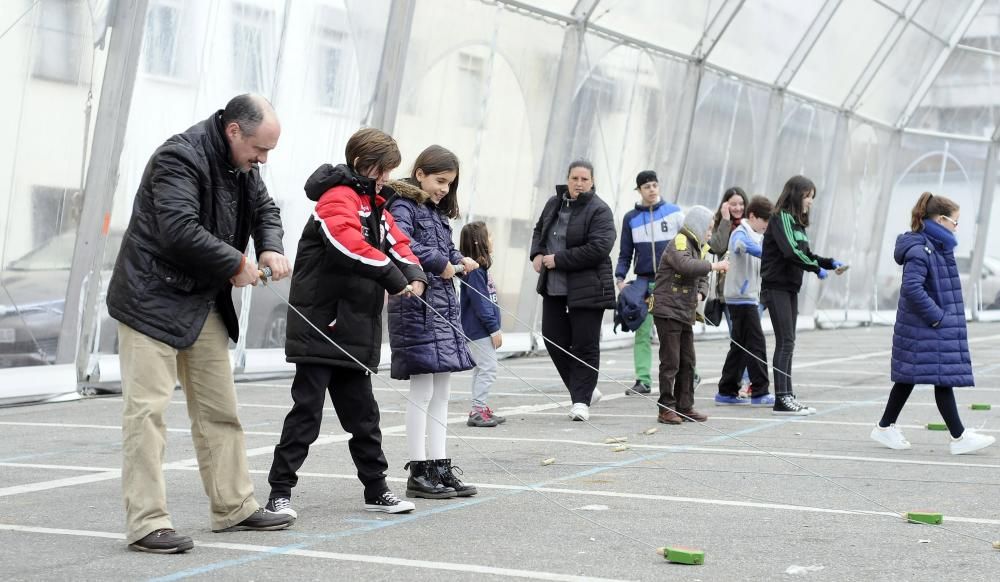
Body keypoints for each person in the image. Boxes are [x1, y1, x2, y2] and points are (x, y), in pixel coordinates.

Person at [106, 94, 295, 554]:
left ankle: (234, 506)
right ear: (234, 131)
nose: (263, 160)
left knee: (219, 409)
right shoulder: (179, 157)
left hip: (202, 300)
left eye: (269, 152)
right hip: (151, 299)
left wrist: (269, 246)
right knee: (146, 413)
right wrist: (235, 262)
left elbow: (266, 211)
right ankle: (147, 523)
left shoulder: (244, 167)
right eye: (260, 149)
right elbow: (177, 227)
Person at [266, 128, 428, 519]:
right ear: (362, 163)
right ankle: (279, 493)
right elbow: (347, 246)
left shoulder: (372, 203)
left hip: (355, 329)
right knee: (306, 414)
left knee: (364, 417)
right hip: (322, 324)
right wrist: (394, 277)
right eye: (383, 170)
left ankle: (377, 490)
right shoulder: (336, 198)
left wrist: (415, 274)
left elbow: (396, 242)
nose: (387, 178)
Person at [870, 192, 995, 455]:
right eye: (955, 222)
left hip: (925, 327)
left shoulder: (934, 246)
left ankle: (885, 427)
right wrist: (937, 316)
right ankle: (958, 437)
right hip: (924, 327)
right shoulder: (921, 248)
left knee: (916, 378)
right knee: (936, 378)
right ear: (940, 219)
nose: (956, 227)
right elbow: (912, 288)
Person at [388, 145, 479, 499]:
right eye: (440, 180)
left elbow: (443, 248)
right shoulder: (402, 203)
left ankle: (440, 466)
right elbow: (403, 244)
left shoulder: (435, 211)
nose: (444, 188)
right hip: (416, 303)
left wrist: (460, 258)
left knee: (442, 391)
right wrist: (440, 262)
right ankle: (418, 469)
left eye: (449, 183)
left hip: (442, 303)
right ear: (421, 172)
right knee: (422, 390)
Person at [530, 160, 616, 422]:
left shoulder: (599, 209)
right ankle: (586, 389)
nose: (579, 183)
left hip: (588, 287)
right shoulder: (553, 203)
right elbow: (539, 231)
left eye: (585, 179)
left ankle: (580, 401)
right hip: (554, 285)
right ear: (567, 179)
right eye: (575, 178)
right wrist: (537, 253)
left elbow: (600, 247)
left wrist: (558, 259)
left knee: (584, 344)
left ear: (592, 181)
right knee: (553, 339)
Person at [760, 175, 845, 416]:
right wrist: (814, 268)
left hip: (789, 287)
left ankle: (788, 394)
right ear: (797, 195)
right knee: (785, 341)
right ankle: (782, 398)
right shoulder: (782, 218)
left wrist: (828, 263)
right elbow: (790, 252)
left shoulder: (797, 224)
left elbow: (806, 253)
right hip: (776, 286)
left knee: (789, 341)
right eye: (808, 197)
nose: (810, 202)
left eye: (812, 198)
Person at [651, 206, 728, 424]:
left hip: (684, 311)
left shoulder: (699, 247)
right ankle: (666, 407)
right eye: (709, 229)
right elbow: (686, 266)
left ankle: (685, 406)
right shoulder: (681, 241)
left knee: (687, 360)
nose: (709, 234)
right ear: (698, 225)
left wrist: (702, 294)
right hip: (668, 310)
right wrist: (715, 265)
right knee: (670, 361)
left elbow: (701, 276)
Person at [614, 170, 684, 395]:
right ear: (639, 190)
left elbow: (687, 248)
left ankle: (690, 373)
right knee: (642, 333)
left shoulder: (675, 213)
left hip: (671, 282)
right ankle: (643, 380)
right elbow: (625, 253)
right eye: (647, 186)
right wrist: (620, 278)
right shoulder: (630, 219)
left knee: (674, 333)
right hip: (644, 283)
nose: (652, 189)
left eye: (654, 185)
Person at [715, 195, 773, 407]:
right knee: (756, 344)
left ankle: (726, 390)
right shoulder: (741, 232)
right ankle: (759, 392)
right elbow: (740, 245)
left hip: (747, 297)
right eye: (764, 220)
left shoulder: (758, 234)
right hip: (741, 298)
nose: (767, 225)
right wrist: (766, 252)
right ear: (753, 216)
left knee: (739, 346)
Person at [459, 220, 505, 428]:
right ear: (480, 242)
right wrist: (494, 328)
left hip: (480, 329)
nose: (492, 239)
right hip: (479, 330)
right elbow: (481, 304)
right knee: (488, 368)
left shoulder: (481, 270)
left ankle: (480, 406)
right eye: (489, 236)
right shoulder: (476, 272)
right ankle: (477, 410)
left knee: (482, 368)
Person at [709, 187, 750, 393]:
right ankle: (742, 381)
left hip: (748, 290)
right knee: (738, 337)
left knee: (747, 336)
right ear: (725, 204)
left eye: (741, 204)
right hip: (727, 292)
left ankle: (746, 381)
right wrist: (725, 220)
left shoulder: (749, 225)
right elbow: (716, 247)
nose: (738, 208)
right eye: (733, 204)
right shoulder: (720, 224)